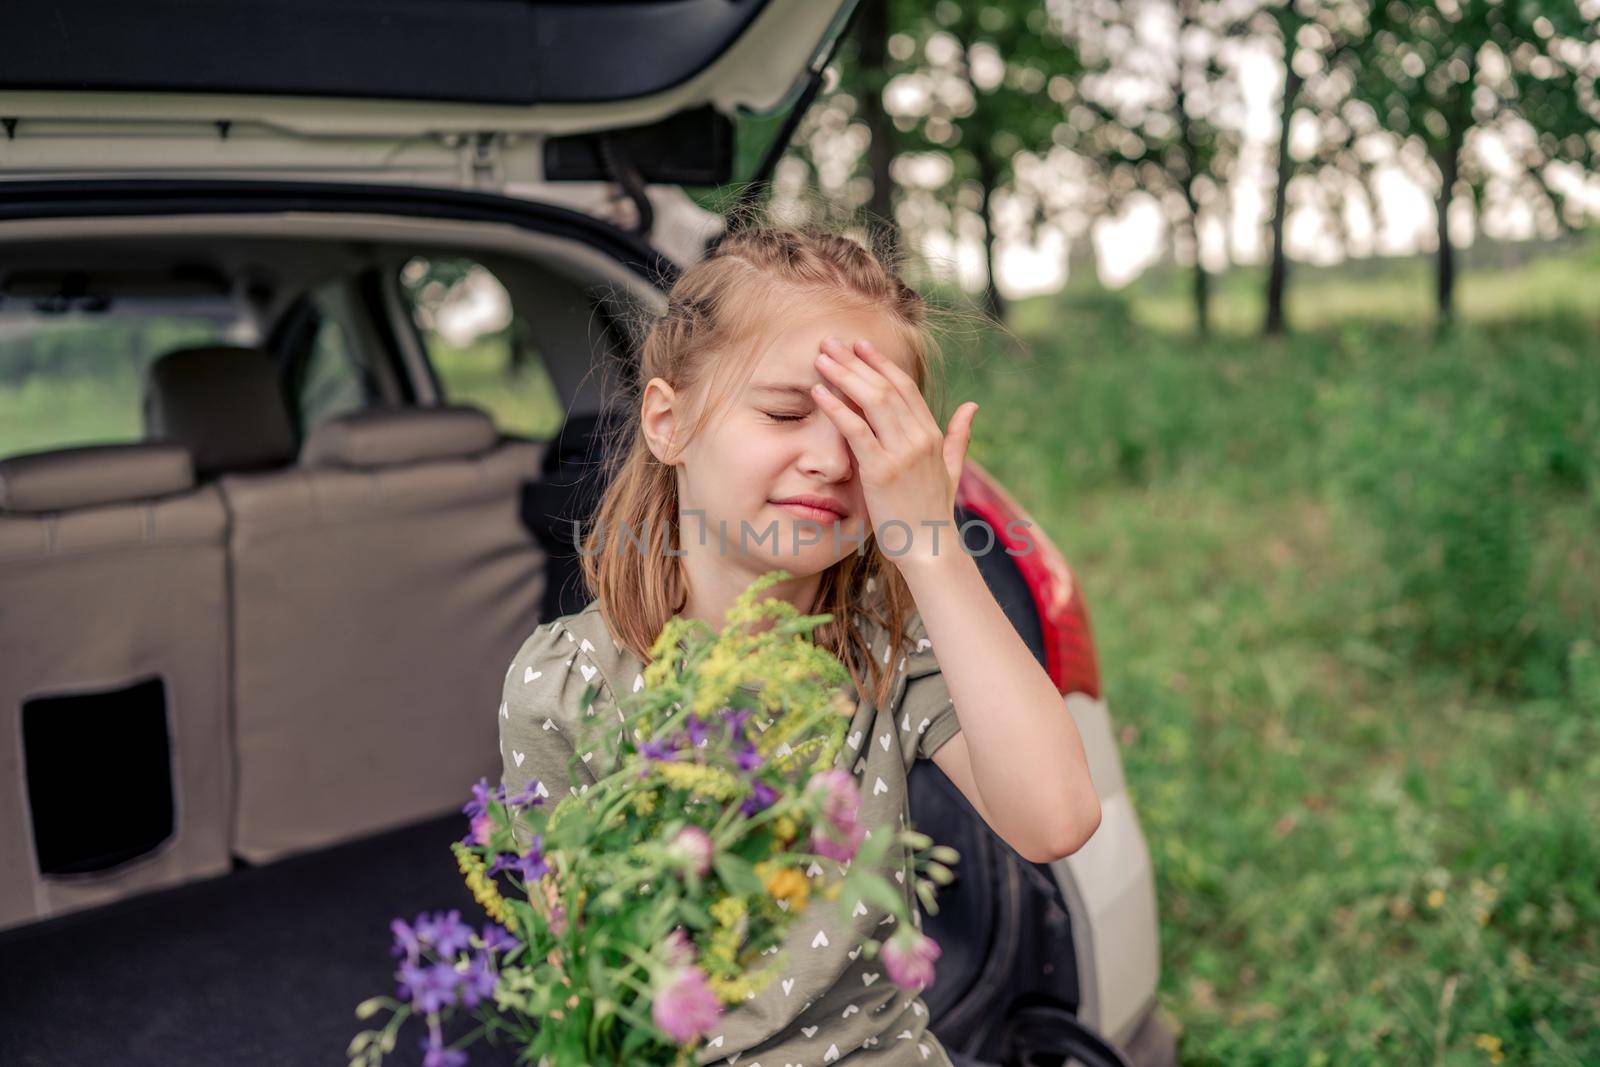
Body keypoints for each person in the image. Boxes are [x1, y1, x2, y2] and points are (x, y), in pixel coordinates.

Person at [498, 222, 1102, 1066]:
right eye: (786, 411)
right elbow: (573, 976)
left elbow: (1057, 816)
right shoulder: (571, 683)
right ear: (669, 424)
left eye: (865, 432)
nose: (828, 459)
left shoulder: (885, 652)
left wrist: (929, 541)